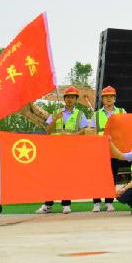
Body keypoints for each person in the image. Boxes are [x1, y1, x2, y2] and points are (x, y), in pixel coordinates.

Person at [37, 85, 92, 214]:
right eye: (67, 97)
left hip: (70, 150)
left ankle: (66, 204)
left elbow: (84, 130)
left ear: (76, 99)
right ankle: (47, 204)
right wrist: (54, 120)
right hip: (54, 150)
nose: (69, 99)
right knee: (51, 177)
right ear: (64, 99)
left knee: (66, 177)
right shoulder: (56, 113)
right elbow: (47, 131)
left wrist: (72, 136)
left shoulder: (80, 114)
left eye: (72, 97)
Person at [91, 85, 125, 212]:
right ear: (102, 99)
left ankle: (109, 201)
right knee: (98, 176)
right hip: (100, 150)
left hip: (115, 149)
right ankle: (96, 202)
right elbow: (93, 132)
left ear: (115, 98)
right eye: (106, 97)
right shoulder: (96, 115)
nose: (109, 99)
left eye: (111, 96)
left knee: (112, 176)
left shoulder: (122, 112)